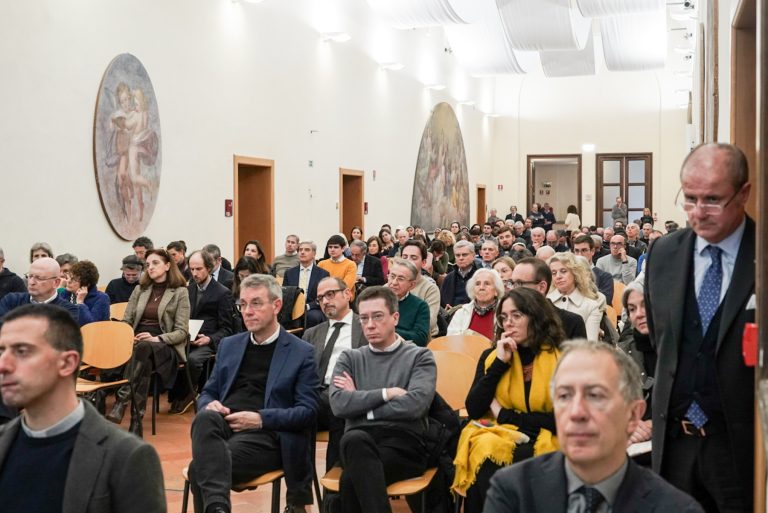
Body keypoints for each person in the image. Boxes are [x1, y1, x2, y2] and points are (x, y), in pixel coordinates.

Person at [646, 143, 755, 512]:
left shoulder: (763, 254)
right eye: (689, 198)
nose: (698, 212)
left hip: (739, 446)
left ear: (743, 194)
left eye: (712, 199)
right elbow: (663, 346)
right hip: (675, 443)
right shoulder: (663, 254)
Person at [484, 339, 704, 513]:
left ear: (633, 415)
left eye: (595, 395)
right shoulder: (513, 491)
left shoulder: (674, 508)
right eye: (564, 396)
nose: (577, 412)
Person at [0, 304, 167, 513]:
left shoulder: (127, 456)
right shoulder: (4, 441)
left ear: (67, 363)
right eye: (1, 351)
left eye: (22, 351)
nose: (3, 365)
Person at [189, 274, 318, 513]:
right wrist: (210, 404)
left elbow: (308, 412)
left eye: (256, 303)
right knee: (205, 416)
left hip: (267, 434)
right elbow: (207, 393)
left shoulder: (302, 352)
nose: (247, 311)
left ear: (276, 305)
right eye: (243, 304)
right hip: (225, 424)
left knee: (200, 469)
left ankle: (216, 508)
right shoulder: (229, 345)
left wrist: (260, 419)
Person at [452, 288, 564, 512]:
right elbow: (474, 409)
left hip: (551, 437)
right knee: (484, 451)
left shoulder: (563, 358)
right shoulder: (492, 357)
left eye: (516, 315)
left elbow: (562, 421)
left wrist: (504, 414)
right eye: (503, 317)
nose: (508, 323)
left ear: (536, 317)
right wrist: (500, 363)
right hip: (502, 434)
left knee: (524, 459)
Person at [329, 286, 436, 513]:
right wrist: (386, 394)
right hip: (359, 443)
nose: (369, 325)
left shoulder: (419, 356)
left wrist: (361, 406)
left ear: (395, 318)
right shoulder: (350, 358)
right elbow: (338, 404)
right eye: (364, 318)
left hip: (404, 445)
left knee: (350, 480)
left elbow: (415, 405)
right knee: (356, 440)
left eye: (377, 316)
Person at [107, 249, 190, 437]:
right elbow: (127, 321)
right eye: (148, 264)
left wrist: (157, 338)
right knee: (143, 357)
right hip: (136, 343)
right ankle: (136, 423)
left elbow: (182, 332)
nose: (150, 267)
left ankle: (122, 400)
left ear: (168, 266)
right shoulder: (140, 290)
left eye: (155, 263)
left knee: (144, 348)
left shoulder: (180, 292)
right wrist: (130, 336)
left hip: (164, 345)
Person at [302, 277, 367, 470]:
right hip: (315, 397)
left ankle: (334, 490)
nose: (325, 301)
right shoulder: (312, 334)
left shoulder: (365, 326)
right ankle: (299, 492)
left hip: (349, 394)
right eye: (320, 298)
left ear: (348, 294)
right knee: (288, 414)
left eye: (330, 294)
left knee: (339, 406)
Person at [172, 250, 234, 414]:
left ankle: (190, 393)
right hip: (187, 338)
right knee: (168, 355)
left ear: (209, 268)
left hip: (208, 341)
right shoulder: (188, 289)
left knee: (192, 360)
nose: (194, 273)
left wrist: (209, 339)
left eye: (198, 269)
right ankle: (176, 393)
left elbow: (227, 328)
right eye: (191, 269)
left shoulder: (222, 293)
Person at [509, 257, 586, 340]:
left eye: (519, 283)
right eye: (512, 283)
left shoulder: (571, 322)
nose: (512, 289)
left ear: (542, 287)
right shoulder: (508, 320)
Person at [618, 282, 655, 451]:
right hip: (634, 440)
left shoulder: (679, 348)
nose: (638, 314)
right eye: (632, 309)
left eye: (645, 306)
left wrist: (654, 425)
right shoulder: (623, 353)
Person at [0, 257, 79, 326]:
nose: (31, 282)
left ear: (56, 282)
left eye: (39, 278)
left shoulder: (68, 310)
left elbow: (55, 339)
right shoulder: (12, 301)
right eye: (30, 276)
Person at [547, 252, 603, 342]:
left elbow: (590, 344)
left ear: (575, 273)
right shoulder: (544, 302)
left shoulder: (591, 306)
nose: (558, 276)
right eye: (553, 273)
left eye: (563, 271)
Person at [447, 268, 504, 340]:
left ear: (496, 290)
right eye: (477, 284)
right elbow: (450, 341)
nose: (481, 287)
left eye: (487, 284)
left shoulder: (503, 313)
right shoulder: (461, 313)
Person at [283, 241, 330, 329]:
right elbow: (284, 293)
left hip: (312, 308)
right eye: (300, 250)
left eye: (307, 250)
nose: (302, 252)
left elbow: (324, 296)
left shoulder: (323, 274)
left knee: (312, 317)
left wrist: (307, 306)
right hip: (292, 308)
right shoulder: (289, 273)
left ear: (314, 254)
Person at [401, 240, 441, 337]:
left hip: (422, 339)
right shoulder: (389, 286)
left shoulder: (430, 289)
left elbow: (428, 322)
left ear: (423, 263)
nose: (408, 261)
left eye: (413, 258)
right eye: (405, 257)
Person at [386, 259, 430, 347]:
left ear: (412, 285)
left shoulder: (420, 306)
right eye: (392, 276)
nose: (394, 282)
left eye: (400, 279)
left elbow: (420, 339)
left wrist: (388, 331)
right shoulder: (375, 300)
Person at [58, 260, 110, 325]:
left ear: (86, 284)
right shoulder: (65, 294)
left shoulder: (101, 298)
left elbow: (91, 327)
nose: (68, 281)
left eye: (74, 279)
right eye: (68, 278)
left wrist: (80, 303)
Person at [572, 234, 614, 305]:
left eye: (584, 250)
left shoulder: (605, 276)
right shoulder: (570, 275)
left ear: (592, 251)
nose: (580, 254)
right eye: (576, 251)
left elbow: (606, 301)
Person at [440, 240, 479, 308]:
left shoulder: (481, 276)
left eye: (464, 255)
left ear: (473, 256)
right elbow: (441, 302)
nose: (461, 258)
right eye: (457, 255)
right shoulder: (448, 278)